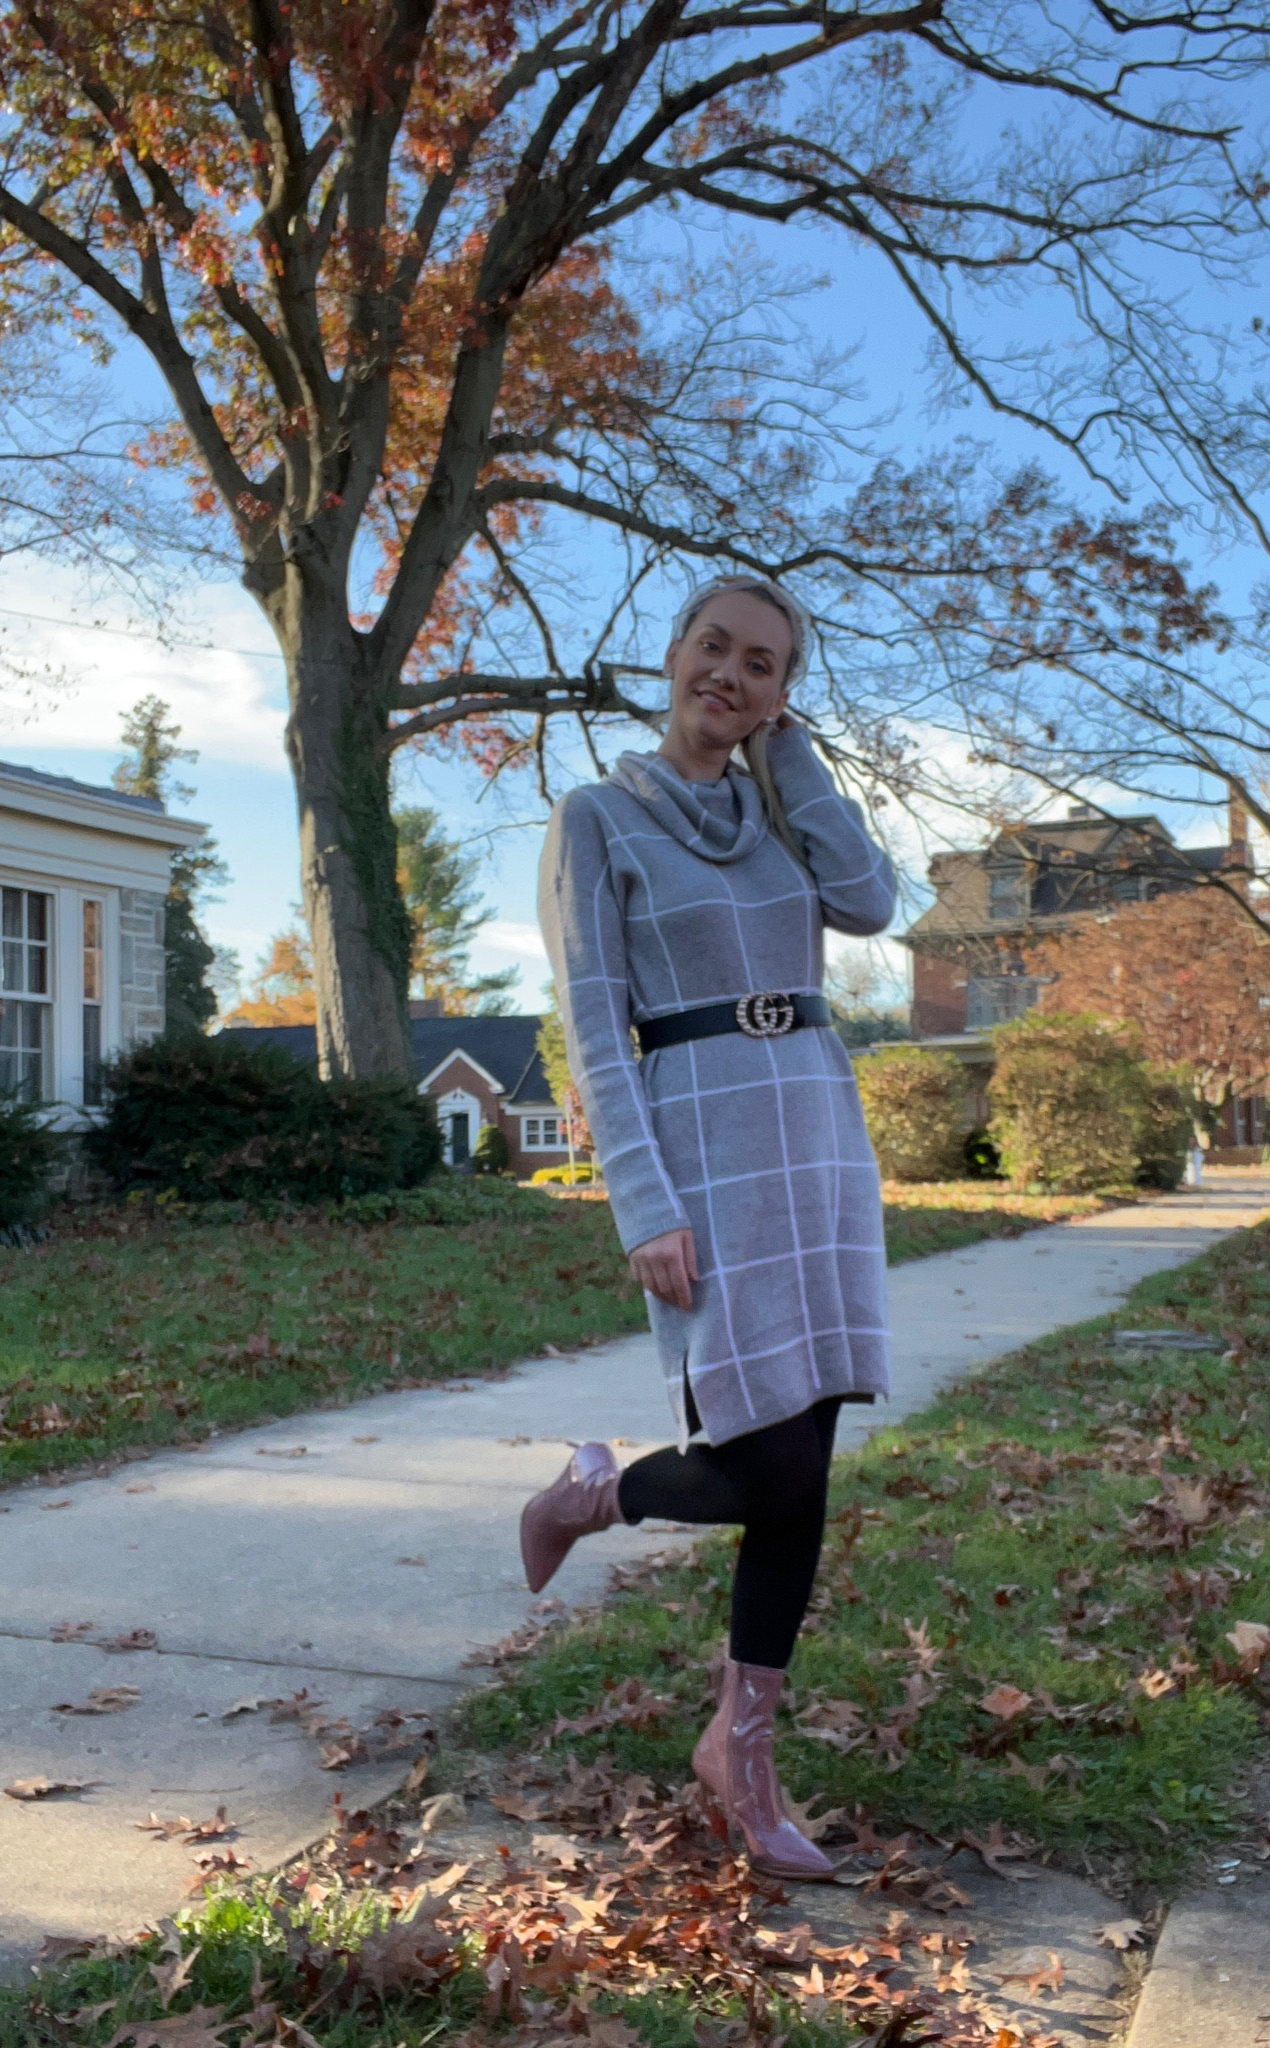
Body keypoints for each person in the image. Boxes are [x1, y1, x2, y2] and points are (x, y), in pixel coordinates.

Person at [524, 573, 897, 1881]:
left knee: (814, 1460)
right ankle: (595, 1494)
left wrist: (797, 766)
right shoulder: (598, 817)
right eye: (715, 649)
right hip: (700, 1143)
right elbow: (591, 1023)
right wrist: (641, 1199)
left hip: (817, 1134)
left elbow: (872, 903)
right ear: (673, 653)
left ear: (784, 696)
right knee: (768, 1469)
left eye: (765, 667)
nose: (731, 676)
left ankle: (741, 1754)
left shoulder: (787, 808)